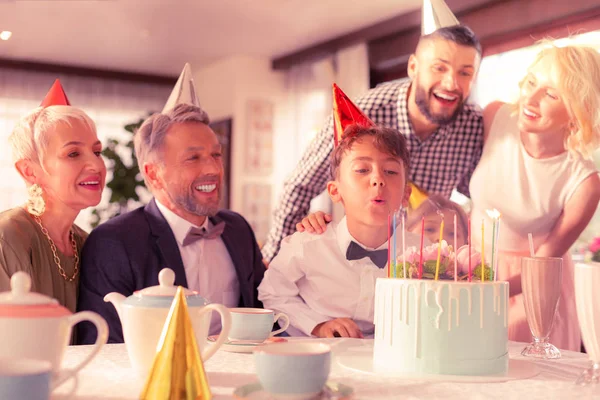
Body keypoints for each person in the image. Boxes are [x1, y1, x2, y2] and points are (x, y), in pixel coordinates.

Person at [262, 0, 484, 263]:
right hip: (355, 262)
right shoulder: (365, 112)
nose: (451, 83)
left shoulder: (474, 128)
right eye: (439, 67)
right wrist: (276, 262)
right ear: (413, 67)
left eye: (465, 73)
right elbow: (300, 186)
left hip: (421, 270)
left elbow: (485, 196)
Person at [77, 64, 265, 344]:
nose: (213, 168)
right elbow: (104, 344)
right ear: (154, 173)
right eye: (194, 158)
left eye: (216, 154)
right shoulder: (114, 242)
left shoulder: (237, 229)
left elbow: (267, 309)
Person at [258, 85, 421, 338]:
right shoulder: (309, 243)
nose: (378, 180)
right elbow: (272, 292)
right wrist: (317, 325)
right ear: (335, 191)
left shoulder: (423, 255)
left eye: (390, 171)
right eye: (362, 170)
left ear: (405, 195)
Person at [469, 43, 600, 351]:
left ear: (578, 110)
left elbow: (543, 263)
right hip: (471, 269)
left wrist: (484, 288)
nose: (530, 98)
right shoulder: (495, 116)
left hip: (530, 291)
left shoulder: (585, 182)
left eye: (551, 94)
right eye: (531, 83)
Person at [0, 79, 105, 313]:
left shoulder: (86, 243)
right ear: (29, 171)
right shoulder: (7, 236)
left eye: (97, 152)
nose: (96, 165)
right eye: (73, 153)